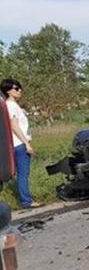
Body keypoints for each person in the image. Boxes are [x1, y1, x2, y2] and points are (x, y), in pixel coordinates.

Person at [0, 79, 40, 209]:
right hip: (19, 144)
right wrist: (26, 143)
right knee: (23, 173)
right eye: (16, 88)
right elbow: (14, 125)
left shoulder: (12, 105)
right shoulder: (10, 105)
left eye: (20, 88)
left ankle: (26, 200)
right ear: (8, 91)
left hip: (18, 143)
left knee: (22, 173)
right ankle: (26, 201)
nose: (20, 90)